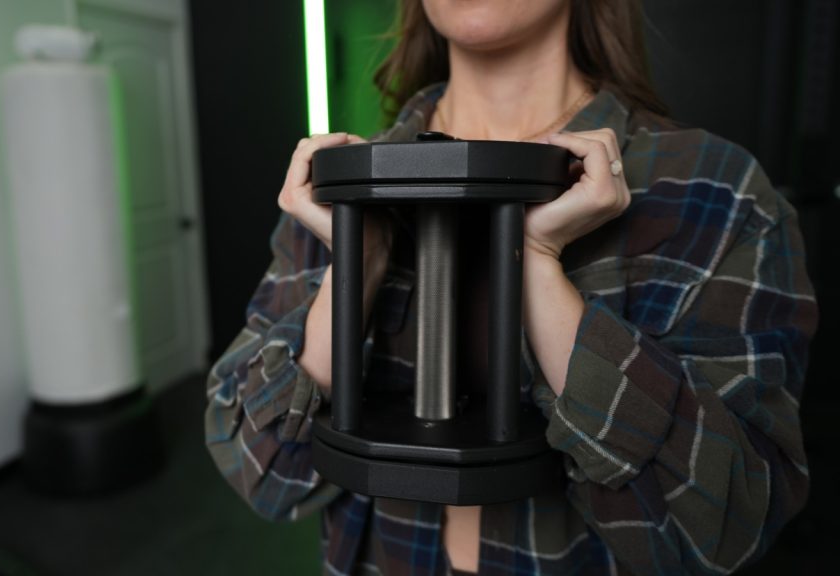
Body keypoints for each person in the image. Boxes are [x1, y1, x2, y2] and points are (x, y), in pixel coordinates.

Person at [205, 0, 818, 573]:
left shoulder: (716, 189)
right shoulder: (337, 187)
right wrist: (359, 267)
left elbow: (731, 527)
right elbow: (258, 471)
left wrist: (540, 264)